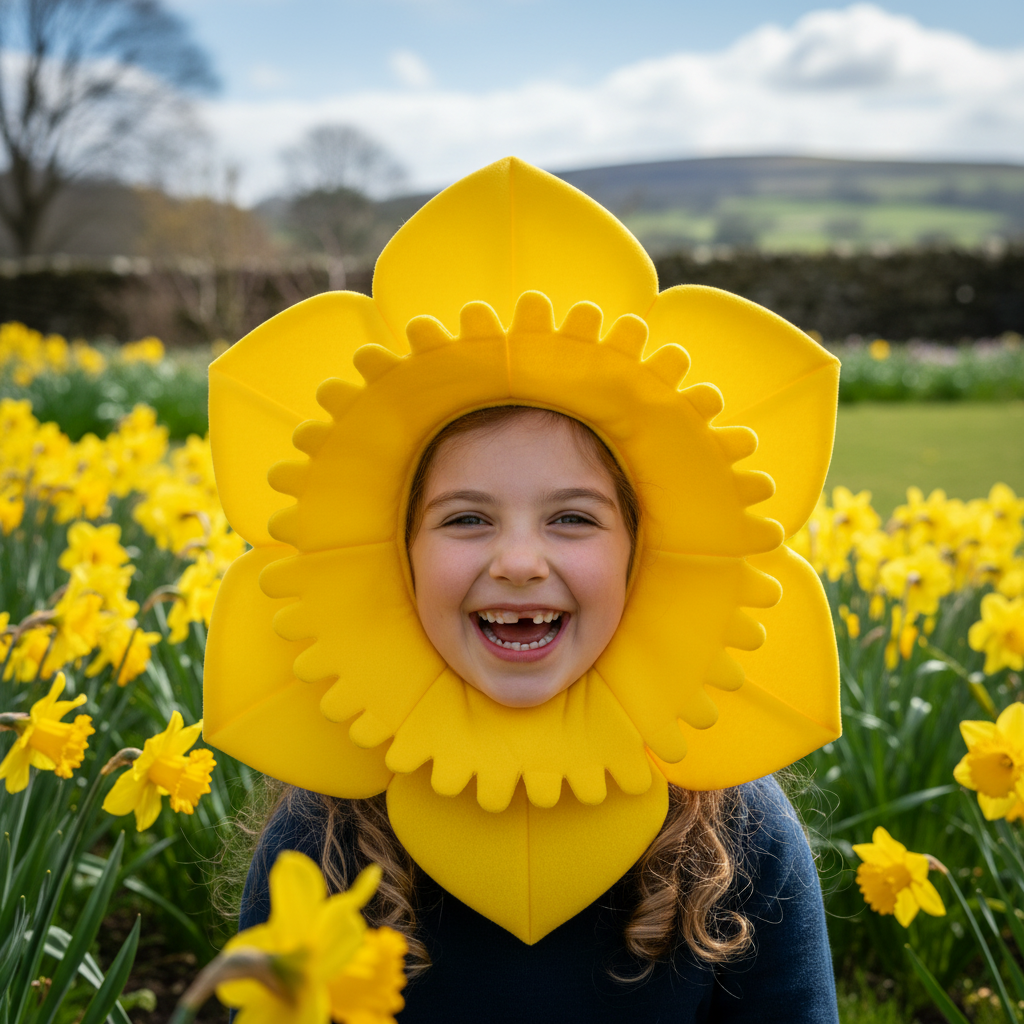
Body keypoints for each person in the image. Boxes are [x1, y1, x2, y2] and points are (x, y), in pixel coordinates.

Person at [204, 157, 843, 1022]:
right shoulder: (324, 837)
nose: (516, 561)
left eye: (573, 520)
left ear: (644, 557)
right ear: (393, 560)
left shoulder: (740, 837)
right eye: (465, 519)